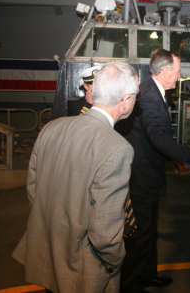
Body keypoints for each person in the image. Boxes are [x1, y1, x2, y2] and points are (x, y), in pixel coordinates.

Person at [12, 62, 139, 293]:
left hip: (48, 251)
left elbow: (34, 190)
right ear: (125, 100)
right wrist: (116, 260)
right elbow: (104, 232)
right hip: (83, 269)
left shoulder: (52, 128)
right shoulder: (117, 147)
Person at [115, 48, 190, 293]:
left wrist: (174, 159)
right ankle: (131, 285)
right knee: (140, 234)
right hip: (142, 177)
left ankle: (147, 275)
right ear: (166, 70)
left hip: (149, 172)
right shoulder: (148, 95)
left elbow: (153, 138)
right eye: (177, 72)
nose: (179, 77)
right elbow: (156, 136)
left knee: (148, 232)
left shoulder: (153, 90)